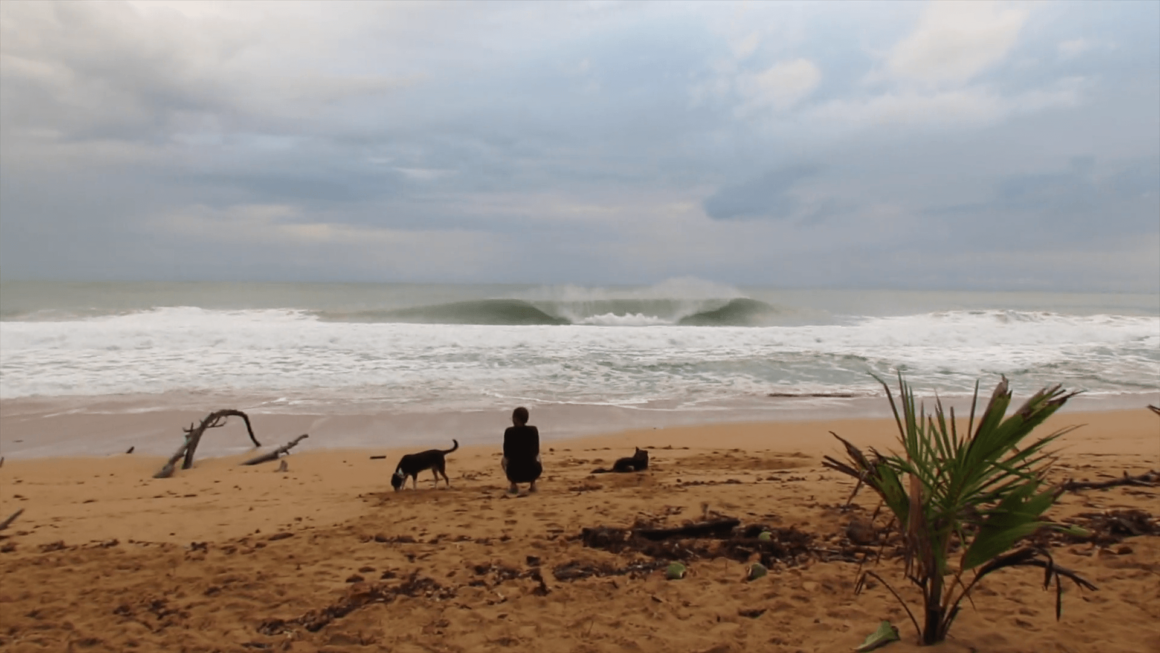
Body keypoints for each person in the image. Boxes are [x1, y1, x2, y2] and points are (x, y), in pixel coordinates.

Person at [502, 406, 542, 495]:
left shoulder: (509, 432)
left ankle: (513, 484)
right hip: (533, 471)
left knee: (504, 460)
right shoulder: (533, 430)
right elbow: (536, 451)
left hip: (514, 473)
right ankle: (533, 483)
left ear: (515, 419)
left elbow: (506, 454)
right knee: (537, 456)